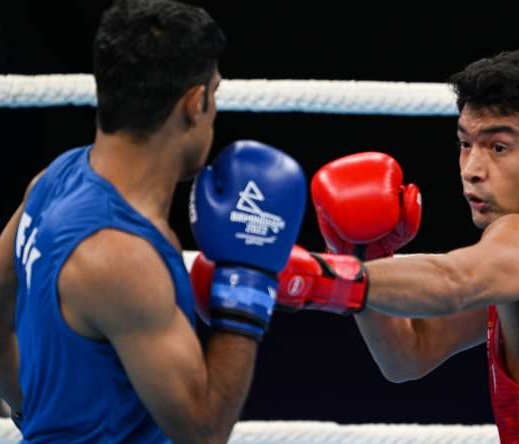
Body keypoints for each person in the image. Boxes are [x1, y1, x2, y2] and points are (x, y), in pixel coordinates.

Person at [267, 48, 519, 443]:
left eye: (498, 147)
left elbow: (454, 278)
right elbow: (409, 354)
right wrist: (363, 257)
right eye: (465, 143)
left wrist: (317, 278)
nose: (471, 170)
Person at [0, 0, 306, 443]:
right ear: (195, 103)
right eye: (214, 93)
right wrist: (247, 284)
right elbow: (202, 430)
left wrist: (34, 407)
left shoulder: (51, 182)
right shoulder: (120, 257)